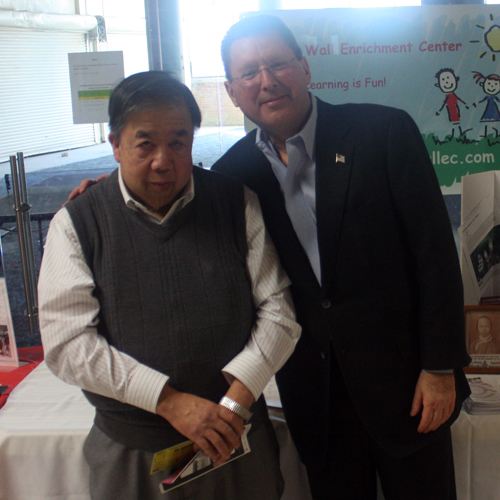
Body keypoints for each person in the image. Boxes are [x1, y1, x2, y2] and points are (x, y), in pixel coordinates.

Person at [211, 14, 471, 500]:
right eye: (249, 73)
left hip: (408, 385)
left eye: (278, 64)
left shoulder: (382, 131)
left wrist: (440, 367)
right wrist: (104, 192)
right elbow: (172, 200)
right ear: (232, 90)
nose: (266, 81)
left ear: (306, 68)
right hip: (317, 397)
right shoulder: (232, 176)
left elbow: (434, 255)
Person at [38, 71, 301, 500]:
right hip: (134, 449)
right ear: (115, 145)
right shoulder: (79, 223)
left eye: (178, 141)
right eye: (145, 144)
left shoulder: (235, 203)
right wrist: (169, 401)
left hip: (236, 437)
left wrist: (233, 404)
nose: (163, 160)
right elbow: (68, 344)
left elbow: (279, 312)